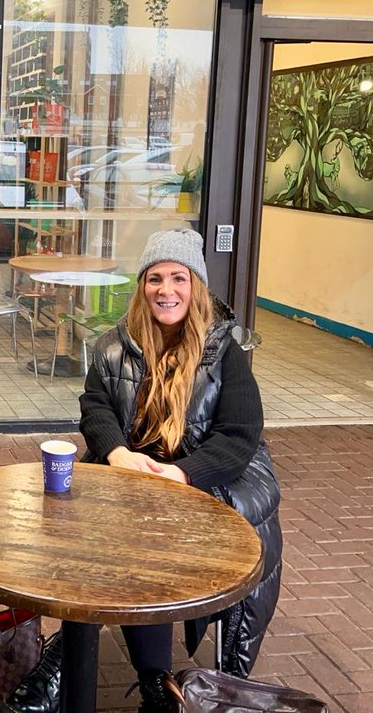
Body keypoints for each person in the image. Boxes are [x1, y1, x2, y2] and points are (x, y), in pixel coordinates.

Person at [77, 228, 282, 712]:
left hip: (202, 480)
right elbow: (95, 406)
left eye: (177, 278)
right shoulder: (113, 345)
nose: (165, 290)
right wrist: (117, 454)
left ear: (196, 287)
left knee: (149, 550)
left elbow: (239, 434)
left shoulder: (225, 351)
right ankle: (148, 682)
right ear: (142, 286)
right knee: (91, 541)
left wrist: (183, 475)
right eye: (154, 278)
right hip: (136, 475)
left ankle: (211, 685)